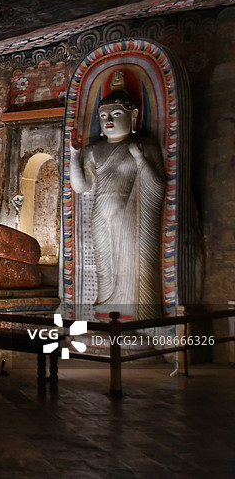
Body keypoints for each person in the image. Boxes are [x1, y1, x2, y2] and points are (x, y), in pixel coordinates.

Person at [69, 70, 165, 319]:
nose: (108, 119)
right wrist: (74, 154)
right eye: (103, 115)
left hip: (131, 218)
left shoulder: (145, 145)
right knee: (105, 269)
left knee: (132, 266)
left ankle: (136, 318)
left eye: (116, 114)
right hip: (100, 215)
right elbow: (81, 187)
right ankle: (106, 314)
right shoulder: (94, 150)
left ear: (133, 116)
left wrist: (140, 159)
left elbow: (157, 185)